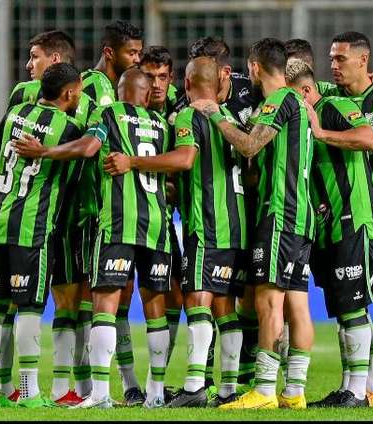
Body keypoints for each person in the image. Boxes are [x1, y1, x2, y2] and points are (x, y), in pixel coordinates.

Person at [17, 68, 174, 410]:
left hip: (117, 222)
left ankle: (100, 393)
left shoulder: (109, 113)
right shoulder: (163, 125)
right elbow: (179, 164)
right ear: (148, 95)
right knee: (155, 308)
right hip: (157, 225)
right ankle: (156, 393)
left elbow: (89, 147)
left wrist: (44, 151)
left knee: (105, 304)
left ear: (122, 92)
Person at [190, 37, 314, 410]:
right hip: (302, 217)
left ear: (256, 67)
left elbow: (249, 146)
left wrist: (215, 113)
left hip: (280, 213)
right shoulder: (301, 105)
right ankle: (294, 391)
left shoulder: (278, 100)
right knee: (297, 304)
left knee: (267, 302)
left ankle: (263, 390)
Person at [121, 56, 247, 408]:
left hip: (206, 224)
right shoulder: (231, 119)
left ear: (187, 84)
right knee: (225, 306)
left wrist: (134, 162)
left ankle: (194, 386)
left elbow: (185, 159)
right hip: (235, 225)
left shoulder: (190, 115)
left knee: (197, 301)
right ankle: (227, 389)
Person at [0, 29, 96, 407]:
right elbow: (84, 156)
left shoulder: (15, 111)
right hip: (34, 225)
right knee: (31, 305)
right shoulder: (69, 128)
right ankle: (31, 391)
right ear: (69, 93)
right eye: (77, 93)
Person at [311, 31, 373, 409]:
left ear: (363, 61)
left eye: (341, 59)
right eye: (331, 58)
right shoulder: (328, 95)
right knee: (350, 302)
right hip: (345, 214)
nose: (333, 65)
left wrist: (364, 141)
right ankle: (363, 385)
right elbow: (300, 84)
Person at [286, 57, 373, 408]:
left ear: (307, 91)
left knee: (354, 306)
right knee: (342, 308)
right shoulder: (300, 120)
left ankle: (359, 391)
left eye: (293, 96)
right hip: (328, 227)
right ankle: (349, 385)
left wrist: (322, 133)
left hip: (352, 220)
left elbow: (369, 137)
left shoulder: (334, 107)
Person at [79, 19, 146, 406]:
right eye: (131, 53)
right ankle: (90, 384)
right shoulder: (91, 87)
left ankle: (128, 381)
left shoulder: (131, 94)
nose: (136, 58)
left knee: (120, 295)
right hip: (93, 208)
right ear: (110, 52)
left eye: (139, 52)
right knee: (96, 297)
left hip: (125, 208)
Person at [139, 46, 185, 376]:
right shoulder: (122, 106)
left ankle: (159, 377)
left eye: (162, 77)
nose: (156, 84)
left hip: (164, 215)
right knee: (123, 297)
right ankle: (128, 383)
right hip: (126, 215)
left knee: (176, 296)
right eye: (150, 76)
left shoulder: (179, 107)